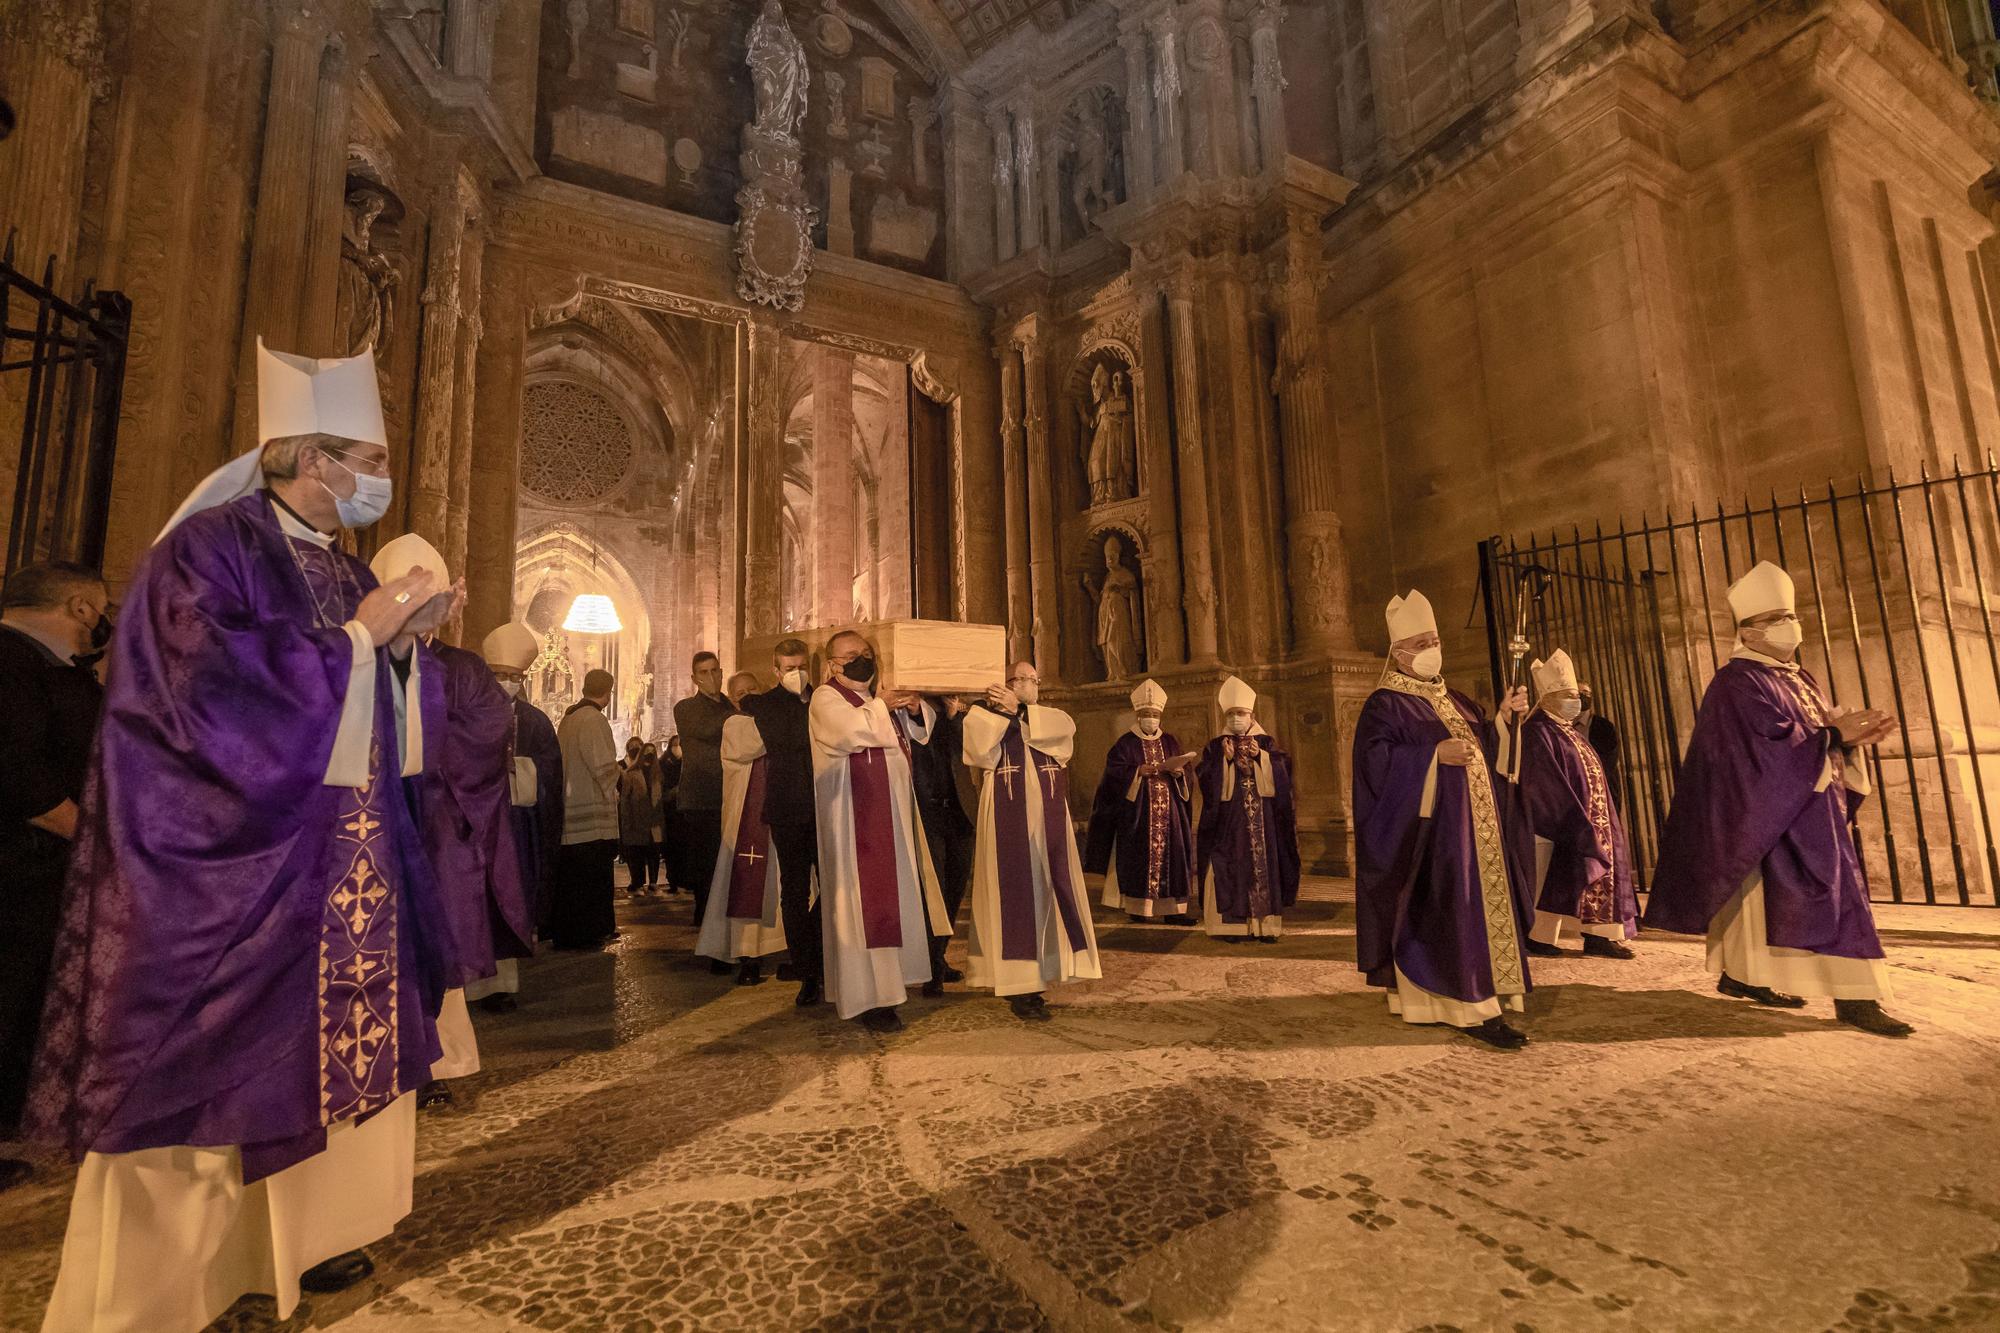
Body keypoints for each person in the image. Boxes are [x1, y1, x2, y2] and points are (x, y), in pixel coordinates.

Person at [28, 341, 458, 1329]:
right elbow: (200, 690)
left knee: (309, 1066)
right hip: (227, 870)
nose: (379, 482)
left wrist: (400, 652)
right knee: (195, 1091)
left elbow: (374, 715)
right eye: (368, 459)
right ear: (310, 458)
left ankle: (283, 1254)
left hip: (337, 864)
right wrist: (359, 643)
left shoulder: (343, 569)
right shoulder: (207, 547)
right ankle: (152, 1303)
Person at [1645, 561, 1911, 1036]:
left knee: (1785, 903)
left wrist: (1846, 739)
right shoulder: (1736, 683)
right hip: (1768, 813)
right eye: (1776, 620)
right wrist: (1830, 735)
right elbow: (1761, 749)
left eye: (1791, 616)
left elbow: (1812, 735)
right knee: (1785, 901)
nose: (1791, 626)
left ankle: (1746, 977)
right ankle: (1855, 998)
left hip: (1809, 808)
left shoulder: (1798, 677)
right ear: (1748, 632)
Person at [371, 534, 530, 1112]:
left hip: (436, 823)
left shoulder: (460, 668)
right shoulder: (356, 658)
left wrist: (418, 756)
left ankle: (432, 1062)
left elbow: (488, 733)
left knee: (430, 943)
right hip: (367, 827)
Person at [1352, 590, 1537, 1049]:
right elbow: (1375, 766)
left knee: (1473, 909)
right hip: (1431, 837)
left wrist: (1503, 720)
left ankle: (1474, 999)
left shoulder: (1455, 698)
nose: (1433, 649)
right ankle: (1467, 1008)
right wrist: (1432, 756)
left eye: (1435, 640)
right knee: (1449, 910)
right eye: (1422, 642)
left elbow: (1489, 755)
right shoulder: (1385, 704)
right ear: (1399, 653)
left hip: (1477, 832)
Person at [0, 561, 109, 1193]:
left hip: (41, 870)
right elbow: (21, 776)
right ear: (79, 607)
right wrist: (98, 840)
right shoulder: (11, 664)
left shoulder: (47, 669)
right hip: (18, 865)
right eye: (99, 609)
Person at [809, 629, 951, 1032]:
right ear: (833, 664)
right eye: (851, 655)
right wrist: (882, 706)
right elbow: (847, 733)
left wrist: (915, 706)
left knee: (894, 903)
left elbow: (919, 732)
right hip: (854, 823)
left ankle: (891, 990)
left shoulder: (877, 700)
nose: (861, 659)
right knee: (860, 908)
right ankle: (869, 998)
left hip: (890, 818)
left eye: (867, 653)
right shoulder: (826, 697)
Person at [961, 661, 1101, 1020]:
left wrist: (1020, 712)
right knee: (1016, 893)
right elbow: (978, 752)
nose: (1026, 684)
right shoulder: (981, 715)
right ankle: (1019, 985)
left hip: (1048, 819)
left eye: (1031, 679)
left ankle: (1049, 968)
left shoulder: (1050, 716)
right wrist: (1005, 713)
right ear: (1002, 683)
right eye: (1018, 679)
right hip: (1007, 816)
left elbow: (1064, 736)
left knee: (1050, 890)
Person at [1518, 650, 1639, 959]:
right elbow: (1542, 778)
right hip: (1559, 821)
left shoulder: (1569, 731)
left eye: (1576, 695)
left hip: (1591, 818)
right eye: (1568, 695)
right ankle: (1538, 936)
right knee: (1549, 880)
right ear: (1546, 698)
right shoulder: (1537, 732)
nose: (1575, 701)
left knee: (1597, 874)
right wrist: (1570, 818)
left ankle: (1599, 936)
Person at [473, 620, 563, 1014]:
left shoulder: (535, 722)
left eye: (514, 677)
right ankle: (467, 983)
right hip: (473, 826)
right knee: (474, 903)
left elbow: (551, 772)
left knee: (507, 901)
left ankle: (501, 985)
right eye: (500, 675)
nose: (507, 683)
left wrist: (517, 769)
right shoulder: (466, 713)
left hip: (516, 827)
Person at [739, 640, 824, 1005]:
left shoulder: (822, 698)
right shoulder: (764, 704)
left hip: (824, 806)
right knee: (795, 891)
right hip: (788, 809)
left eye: (802, 666)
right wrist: (800, 703)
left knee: (835, 885)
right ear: (776, 671)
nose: (797, 673)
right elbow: (788, 740)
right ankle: (806, 970)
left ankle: (818, 955)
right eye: (789, 668)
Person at [1194, 676, 1301, 942]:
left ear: (1251, 714)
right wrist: (1224, 761)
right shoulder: (1216, 745)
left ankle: (1265, 927)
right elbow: (1206, 778)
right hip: (1230, 822)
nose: (1235, 719)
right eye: (1230, 714)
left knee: (1262, 866)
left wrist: (1261, 758)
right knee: (1229, 865)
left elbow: (1284, 773)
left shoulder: (1266, 743)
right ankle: (1231, 926)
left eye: (1240, 713)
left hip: (1263, 820)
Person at [1085, 678, 1197, 925]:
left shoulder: (1170, 741)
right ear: (1138, 715)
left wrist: (1180, 774)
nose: (1151, 718)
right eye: (1146, 714)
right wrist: (1136, 771)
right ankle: (1139, 909)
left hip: (1170, 815)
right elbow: (1113, 774)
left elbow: (1187, 772)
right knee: (1140, 858)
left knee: (1173, 858)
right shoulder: (1125, 743)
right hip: (1138, 814)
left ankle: (1173, 911)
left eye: (1155, 714)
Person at [697, 702, 791, 987]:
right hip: (745, 825)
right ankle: (746, 954)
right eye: (743, 694)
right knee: (743, 887)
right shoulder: (734, 725)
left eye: (755, 692)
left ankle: (787, 951)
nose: (750, 698)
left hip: (778, 818)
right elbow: (753, 744)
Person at [894, 691, 974, 991]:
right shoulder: (903, 707)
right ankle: (930, 964)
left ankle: (938, 955)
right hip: (924, 811)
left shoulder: (955, 707)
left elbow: (971, 749)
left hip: (958, 809)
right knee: (932, 891)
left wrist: (955, 718)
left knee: (954, 887)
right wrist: (916, 710)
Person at [552, 668, 621, 950]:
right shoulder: (594, 719)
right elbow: (603, 765)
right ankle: (591, 930)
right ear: (608, 692)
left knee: (572, 879)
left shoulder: (568, 719)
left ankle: (568, 932)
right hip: (591, 817)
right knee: (593, 878)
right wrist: (619, 778)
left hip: (570, 810)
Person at [674, 650, 737, 927]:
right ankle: (706, 920)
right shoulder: (686, 708)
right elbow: (709, 728)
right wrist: (744, 712)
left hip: (731, 794)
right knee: (707, 865)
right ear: (694, 678)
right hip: (702, 798)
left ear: (722, 673)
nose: (711, 677)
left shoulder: (731, 707)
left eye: (715, 671)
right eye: (704, 672)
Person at [619, 743, 663, 895]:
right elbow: (625, 800)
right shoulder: (631, 774)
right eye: (647, 753)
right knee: (637, 852)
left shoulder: (657, 774)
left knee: (654, 852)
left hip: (654, 821)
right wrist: (627, 822)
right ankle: (637, 883)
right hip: (637, 819)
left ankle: (653, 882)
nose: (649, 756)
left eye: (652, 753)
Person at [1575, 683, 1622, 811]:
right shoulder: (1564, 727)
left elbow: (1610, 759)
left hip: (1603, 791)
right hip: (1576, 795)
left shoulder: (1603, 726)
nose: (1583, 696)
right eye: (1578, 693)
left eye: (1586, 693)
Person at [658, 733, 684, 895]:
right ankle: (673, 880)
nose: (677, 747)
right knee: (672, 849)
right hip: (670, 811)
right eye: (675, 744)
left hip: (684, 812)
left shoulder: (686, 762)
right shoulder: (664, 762)